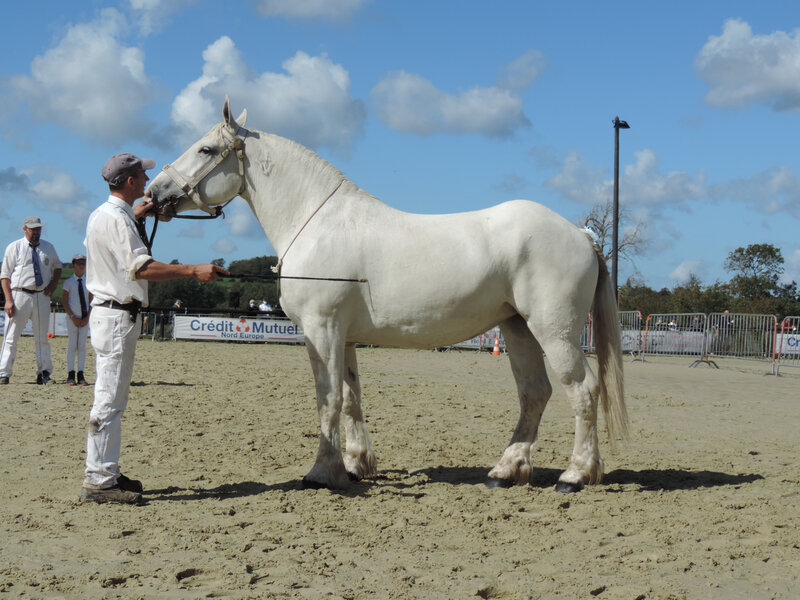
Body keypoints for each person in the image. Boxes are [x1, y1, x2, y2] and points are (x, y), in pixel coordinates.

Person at [80, 152, 228, 506]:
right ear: (129, 181)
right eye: (141, 177)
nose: (146, 182)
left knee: (110, 397)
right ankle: (100, 480)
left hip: (110, 314)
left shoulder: (106, 214)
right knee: (110, 400)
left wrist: (137, 215)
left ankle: (105, 471)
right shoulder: (118, 220)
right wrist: (193, 270)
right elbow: (141, 268)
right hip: (118, 315)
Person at [0, 216, 62, 385]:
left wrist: (53, 285)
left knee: (42, 336)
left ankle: (44, 372)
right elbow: (5, 275)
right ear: (24, 229)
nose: (36, 232)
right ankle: (3, 372)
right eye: (33, 229)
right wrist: (8, 300)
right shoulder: (15, 247)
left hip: (41, 295)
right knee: (10, 335)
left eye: (38, 229)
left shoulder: (48, 247)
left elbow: (58, 267)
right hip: (20, 294)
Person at [62, 254, 92, 386]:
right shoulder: (68, 282)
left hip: (85, 318)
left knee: (82, 346)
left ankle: (81, 373)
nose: (81, 266)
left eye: (84, 263)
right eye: (79, 263)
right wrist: (73, 317)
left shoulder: (89, 282)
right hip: (72, 318)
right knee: (72, 345)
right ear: (73, 265)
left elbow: (92, 300)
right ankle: (70, 373)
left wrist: (87, 317)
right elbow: (65, 301)